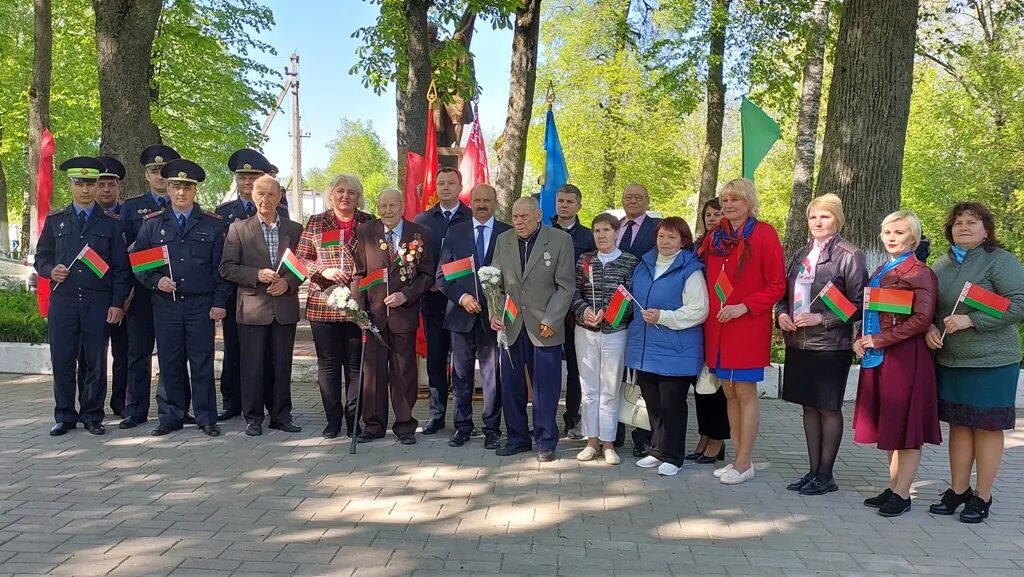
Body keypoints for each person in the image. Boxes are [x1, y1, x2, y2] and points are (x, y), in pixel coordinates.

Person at [925, 202, 1024, 523]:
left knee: (987, 426)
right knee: (960, 425)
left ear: (986, 230)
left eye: (972, 222)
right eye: (957, 223)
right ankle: (958, 490)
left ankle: (982, 496)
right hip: (952, 362)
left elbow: (1020, 303)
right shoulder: (940, 265)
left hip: (992, 363)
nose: (964, 227)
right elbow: (928, 307)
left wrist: (973, 321)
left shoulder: (1000, 261)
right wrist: (929, 327)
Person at [776, 194, 867, 495]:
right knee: (809, 407)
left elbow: (858, 305)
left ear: (838, 220)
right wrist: (782, 314)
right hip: (799, 342)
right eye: (813, 216)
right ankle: (813, 471)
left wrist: (821, 319)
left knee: (828, 408)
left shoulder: (850, 255)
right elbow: (783, 295)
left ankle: (826, 475)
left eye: (825, 216)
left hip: (830, 345)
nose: (818, 222)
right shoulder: (801, 253)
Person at [852, 210, 941, 517]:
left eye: (899, 233)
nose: (892, 238)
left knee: (906, 427)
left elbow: (921, 319)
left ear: (913, 238)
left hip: (906, 359)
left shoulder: (919, 272)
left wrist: (880, 340)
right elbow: (870, 311)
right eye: (888, 232)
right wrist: (861, 337)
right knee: (889, 423)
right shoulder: (881, 269)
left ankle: (903, 494)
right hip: (880, 356)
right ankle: (893, 486)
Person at [133, 158, 229, 437]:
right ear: (169, 188)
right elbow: (140, 264)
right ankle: (170, 416)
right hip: (167, 305)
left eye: (187, 187)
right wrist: (156, 280)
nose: (181, 193)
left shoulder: (212, 224)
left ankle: (206, 417)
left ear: (195, 190)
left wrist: (219, 302)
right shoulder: (152, 225)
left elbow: (220, 269)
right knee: (169, 360)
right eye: (176, 186)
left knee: (202, 362)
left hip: (201, 304)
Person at [699, 178, 785, 485]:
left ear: (749, 202)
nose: (728, 205)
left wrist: (744, 306)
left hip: (746, 324)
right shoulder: (716, 236)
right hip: (717, 326)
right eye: (724, 200)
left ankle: (745, 460)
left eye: (735, 199)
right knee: (729, 392)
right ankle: (737, 458)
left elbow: (777, 284)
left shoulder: (764, 234)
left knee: (745, 392)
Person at [35, 157, 130, 436]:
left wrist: (116, 303)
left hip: (96, 300)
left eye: (91, 184)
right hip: (63, 300)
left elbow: (121, 269)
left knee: (95, 360)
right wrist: (51, 271)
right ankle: (65, 414)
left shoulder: (111, 223)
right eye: (80, 184)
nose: (86, 190)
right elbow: (41, 258)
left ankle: (92, 414)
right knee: (63, 358)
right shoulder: (56, 221)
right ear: (71, 185)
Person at [489, 196, 575, 462]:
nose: (518, 222)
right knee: (512, 387)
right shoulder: (504, 241)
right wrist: (494, 312)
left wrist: (552, 319)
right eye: (515, 217)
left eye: (524, 216)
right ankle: (517, 438)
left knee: (545, 388)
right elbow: (494, 281)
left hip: (545, 326)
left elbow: (566, 286)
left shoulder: (560, 240)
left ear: (538, 215)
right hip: (512, 324)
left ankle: (546, 441)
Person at [219, 175, 304, 436]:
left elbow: (303, 264)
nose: (265, 199)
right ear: (252, 197)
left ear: (279, 197)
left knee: (282, 364)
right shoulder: (238, 229)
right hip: (253, 308)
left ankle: (281, 415)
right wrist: (256, 275)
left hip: (283, 306)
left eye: (271, 194)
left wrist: (288, 283)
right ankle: (253, 417)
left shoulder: (294, 229)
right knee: (252, 365)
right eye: (260, 194)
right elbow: (227, 268)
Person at [351, 189, 435, 444]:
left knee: (403, 372)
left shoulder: (419, 234)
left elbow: (427, 275)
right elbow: (359, 273)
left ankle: (405, 426)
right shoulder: (366, 232)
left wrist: (405, 296)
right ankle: (374, 425)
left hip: (403, 315)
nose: (387, 210)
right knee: (373, 372)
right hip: (373, 315)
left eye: (392, 205)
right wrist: (358, 310)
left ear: (402, 205)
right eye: (383, 205)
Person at [627, 217, 708, 475]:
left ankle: (673, 457)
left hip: (676, 351)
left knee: (672, 406)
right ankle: (657, 449)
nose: (665, 241)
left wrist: (664, 317)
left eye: (672, 237)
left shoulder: (691, 270)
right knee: (653, 405)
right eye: (662, 236)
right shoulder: (644, 265)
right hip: (645, 349)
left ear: (683, 241)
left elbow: (699, 310)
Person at [296, 174, 375, 439]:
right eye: (340, 191)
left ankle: (354, 420)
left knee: (355, 366)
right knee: (328, 365)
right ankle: (333, 420)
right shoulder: (317, 223)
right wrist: (324, 269)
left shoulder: (368, 222)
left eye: (351, 192)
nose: (345, 196)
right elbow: (302, 260)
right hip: (324, 303)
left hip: (357, 304)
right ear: (331, 195)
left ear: (358, 197)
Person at [119, 144, 191, 430]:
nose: (159, 176)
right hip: (143, 293)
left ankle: (180, 408)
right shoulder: (131, 208)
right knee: (138, 352)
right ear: (146, 175)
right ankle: (135, 409)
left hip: (176, 294)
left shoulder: (186, 206)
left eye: (165, 170)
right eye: (153, 171)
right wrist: (126, 291)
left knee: (176, 353)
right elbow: (125, 253)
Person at [436, 184, 511, 449]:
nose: (481, 204)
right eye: (477, 200)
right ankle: (462, 426)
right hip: (460, 316)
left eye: (486, 200)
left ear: (494, 202)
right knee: (462, 374)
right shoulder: (455, 233)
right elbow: (442, 277)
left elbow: (513, 278)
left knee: (493, 375)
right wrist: (463, 298)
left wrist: (498, 305)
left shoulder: (507, 233)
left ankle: (492, 428)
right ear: (471, 202)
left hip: (494, 318)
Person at [214, 148, 285, 422]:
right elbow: (218, 261)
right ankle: (233, 401)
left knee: (266, 354)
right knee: (234, 350)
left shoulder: (281, 214)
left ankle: (269, 403)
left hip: (267, 295)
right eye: (242, 177)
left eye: (252, 177)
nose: (246, 182)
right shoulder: (223, 214)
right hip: (233, 291)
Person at [568, 213, 638, 465]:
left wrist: (612, 317)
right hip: (585, 331)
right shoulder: (585, 260)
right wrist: (583, 311)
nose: (601, 235)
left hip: (615, 333)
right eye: (597, 231)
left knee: (609, 389)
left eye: (606, 230)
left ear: (616, 233)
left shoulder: (629, 262)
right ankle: (591, 440)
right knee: (589, 388)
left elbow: (632, 297)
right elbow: (574, 292)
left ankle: (608, 443)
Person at [414, 167, 472, 435]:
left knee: (462, 363)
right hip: (434, 302)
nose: (446, 187)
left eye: (451, 182)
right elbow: (415, 262)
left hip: (463, 303)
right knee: (436, 360)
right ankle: (437, 415)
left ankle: (464, 419)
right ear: (435, 187)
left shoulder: (472, 218)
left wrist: (452, 285)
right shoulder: (422, 221)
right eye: (441, 183)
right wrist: (432, 283)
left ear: (460, 186)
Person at [80, 155, 129, 417]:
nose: (106, 190)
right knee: (91, 357)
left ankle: (120, 402)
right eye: (102, 184)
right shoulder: (83, 218)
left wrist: (127, 294)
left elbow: (136, 257)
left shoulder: (128, 215)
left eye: (112, 185)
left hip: (124, 297)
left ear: (119, 187)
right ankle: (89, 406)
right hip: (91, 298)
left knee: (123, 354)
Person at [615, 183, 662, 454]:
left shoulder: (657, 228)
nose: (633, 200)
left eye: (638, 197)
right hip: (614, 311)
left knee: (643, 377)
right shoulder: (614, 225)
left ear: (647, 200)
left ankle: (643, 437)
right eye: (628, 196)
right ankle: (615, 430)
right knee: (617, 375)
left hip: (644, 308)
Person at [685, 197, 730, 464]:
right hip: (697, 323)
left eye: (718, 214)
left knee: (716, 388)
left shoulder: (727, 244)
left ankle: (717, 440)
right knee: (701, 386)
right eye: (708, 214)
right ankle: (704, 436)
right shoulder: (698, 246)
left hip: (720, 319)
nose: (712, 219)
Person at [550, 184, 596, 439]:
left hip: (577, 315)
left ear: (579, 205)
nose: (564, 205)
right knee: (547, 366)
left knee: (577, 368)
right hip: (547, 312)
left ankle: (573, 418)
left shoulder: (589, 238)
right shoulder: (543, 232)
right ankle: (545, 418)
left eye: (569, 201)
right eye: (560, 201)